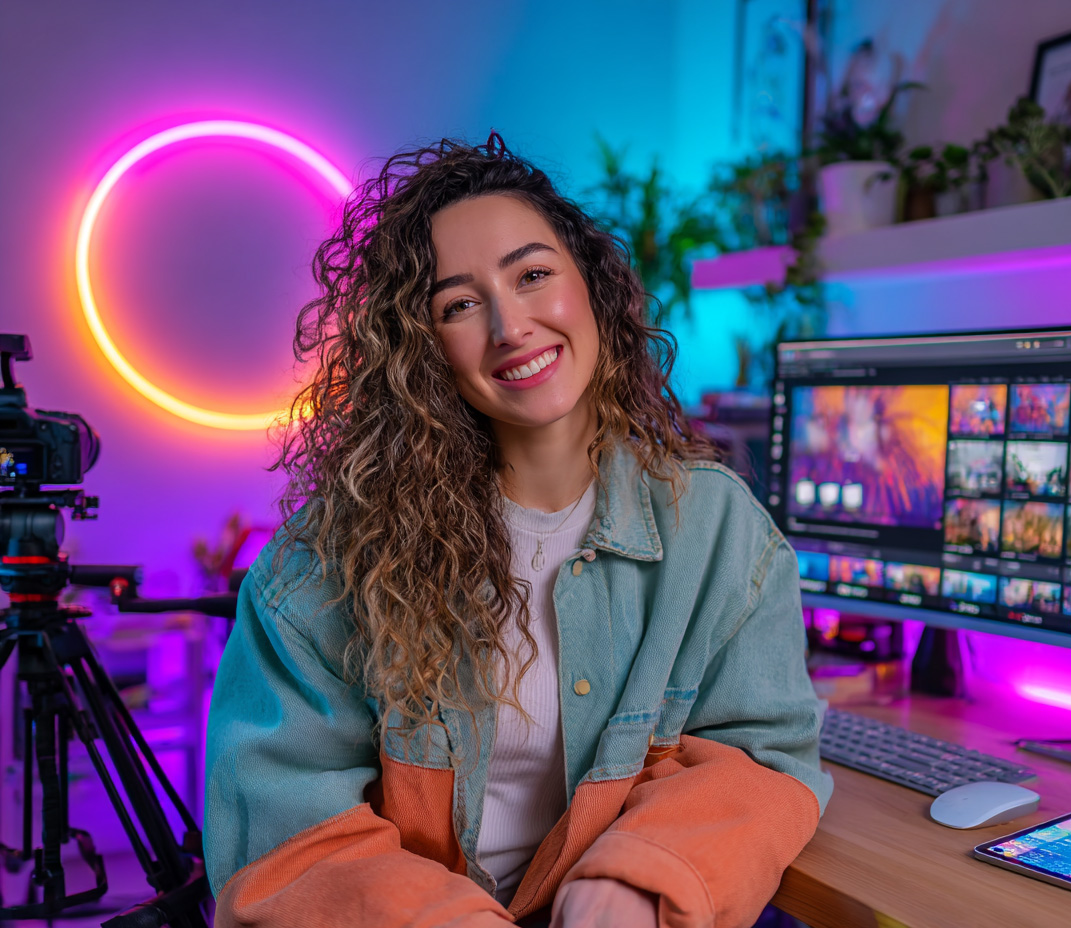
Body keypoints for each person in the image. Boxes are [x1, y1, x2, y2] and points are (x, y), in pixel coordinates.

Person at [204, 133, 831, 928]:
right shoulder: (324, 563)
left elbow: (764, 755)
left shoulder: (717, 529)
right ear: (421, 349)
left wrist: (642, 877)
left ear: (593, 290)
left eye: (534, 275)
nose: (510, 326)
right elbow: (283, 832)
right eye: (459, 304)